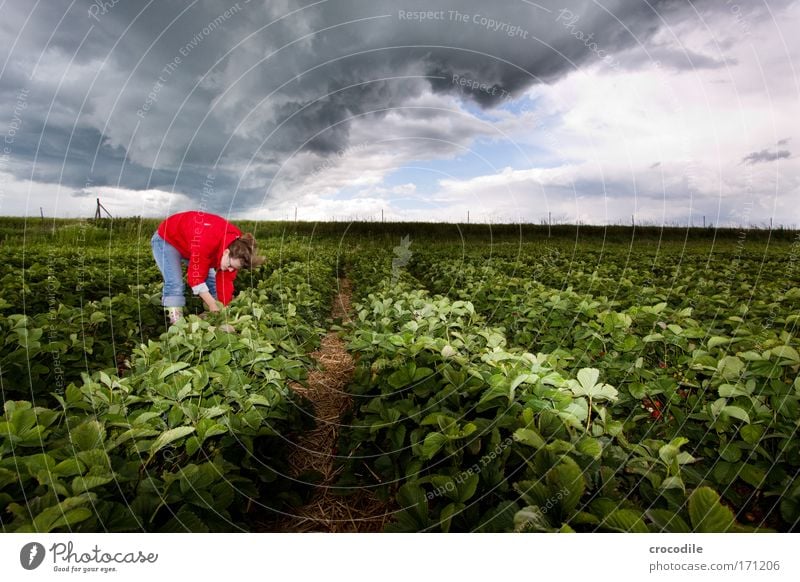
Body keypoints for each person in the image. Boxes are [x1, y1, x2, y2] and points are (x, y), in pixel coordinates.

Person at [151, 211, 265, 324]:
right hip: (167, 238)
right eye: (230, 266)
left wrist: (223, 308)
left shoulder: (237, 249)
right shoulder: (206, 241)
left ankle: (215, 317)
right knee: (175, 283)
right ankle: (175, 326)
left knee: (211, 282)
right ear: (226, 252)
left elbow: (225, 282)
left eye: (234, 268)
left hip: (191, 244)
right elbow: (196, 279)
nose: (230, 270)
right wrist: (212, 304)